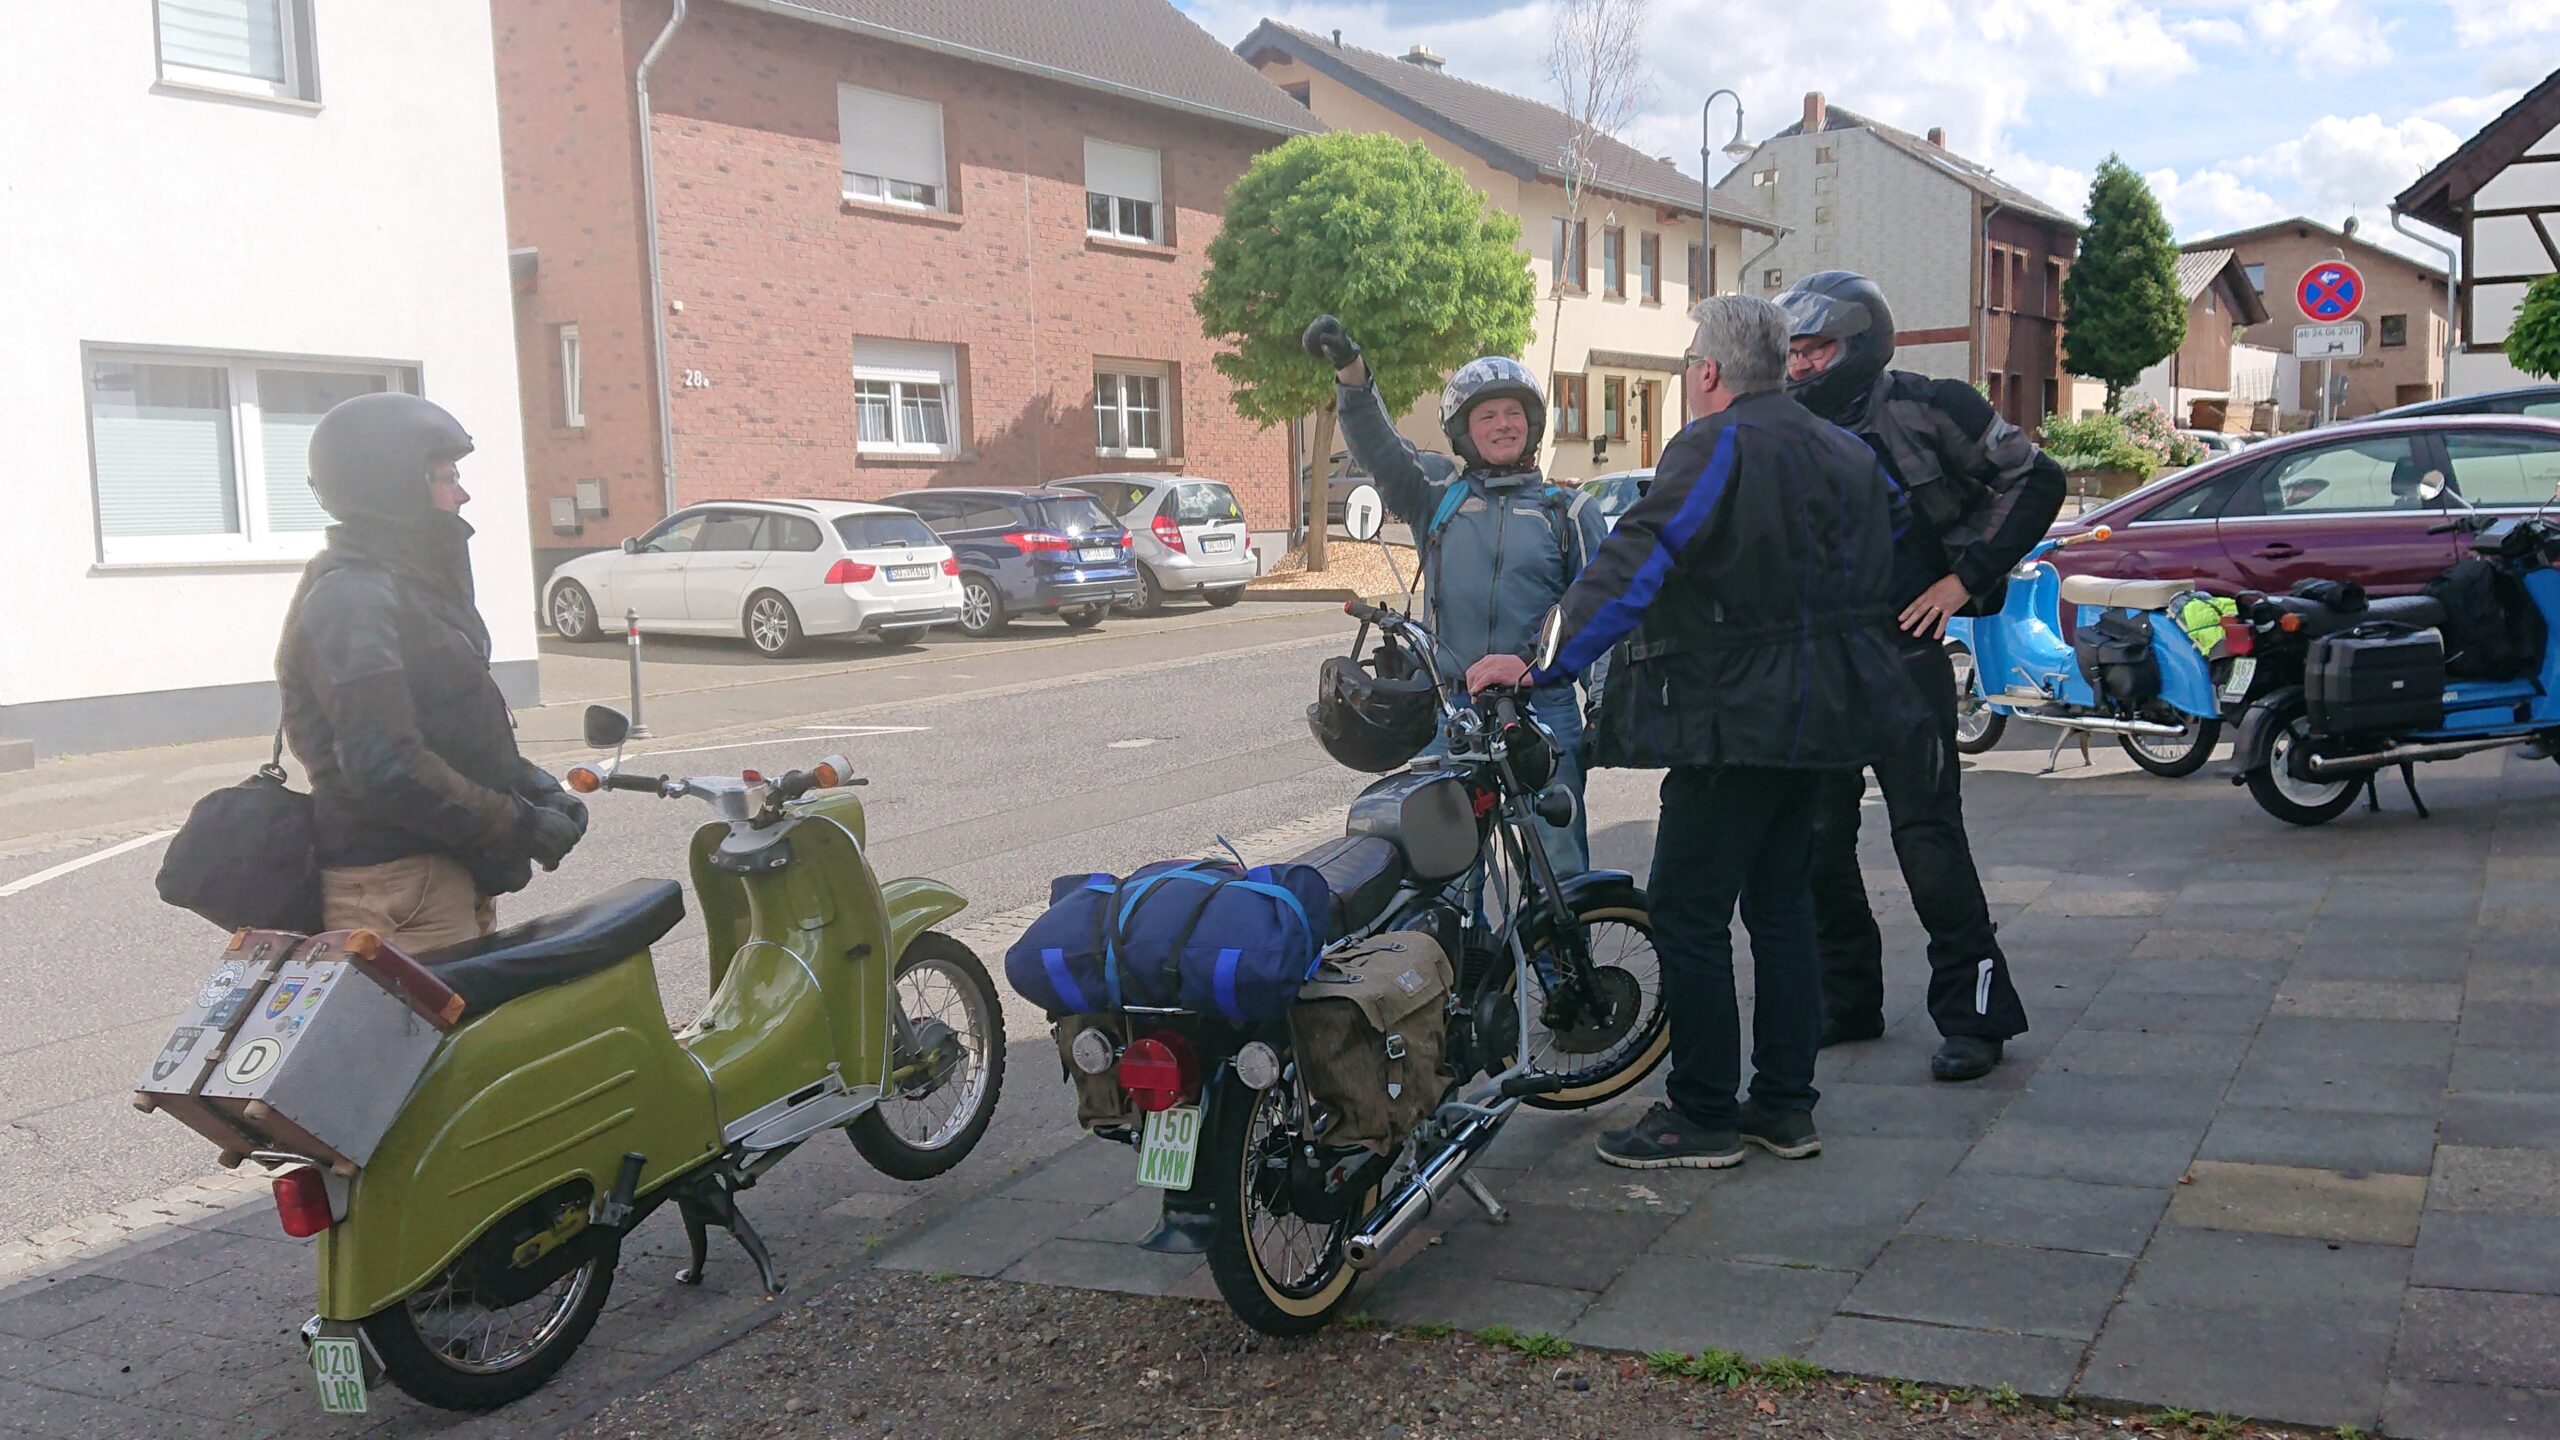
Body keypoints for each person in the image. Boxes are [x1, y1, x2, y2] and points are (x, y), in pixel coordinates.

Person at [1467, 296, 1924, 1169]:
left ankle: (1702, 1111)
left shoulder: (1715, 444)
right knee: (1783, 905)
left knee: (1685, 911)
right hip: (1830, 715)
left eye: (1687, 363)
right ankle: (1786, 1106)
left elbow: (1634, 558)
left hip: (1735, 719)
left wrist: (1538, 663)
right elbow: (1896, 544)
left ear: (1707, 373)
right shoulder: (1849, 451)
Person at [1778, 271, 2066, 1082]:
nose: (1802, 367)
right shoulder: (1777, 424)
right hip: (1818, 663)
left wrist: (1964, 580)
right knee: (1818, 840)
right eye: (1793, 353)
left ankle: (1976, 1017)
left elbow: (2035, 478)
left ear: (1862, 343)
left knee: (1928, 838)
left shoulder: (1929, 403)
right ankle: (1848, 998)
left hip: (1903, 659)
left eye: (1818, 350)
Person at [277, 392, 587, 951]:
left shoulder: (408, 586)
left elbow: (451, 727)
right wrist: (519, 823)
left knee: (484, 1033)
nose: (462, 493)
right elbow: (386, 764)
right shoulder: (353, 599)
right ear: (396, 484)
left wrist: (531, 786)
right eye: (446, 476)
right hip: (398, 885)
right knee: (441, 1038)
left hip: (440, 867)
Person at [1301, 316, 1608, 875]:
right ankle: (1461, 965)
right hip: (1454, 715)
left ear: (1533, 423)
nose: (1502, 424)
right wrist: (1352, 372)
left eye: (1514, 412)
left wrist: (1603, 711)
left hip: (1541, 715)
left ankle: (1560, 966)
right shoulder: (1436, 495)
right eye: (1486, 415)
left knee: (1557, 871)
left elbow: (1603, 617)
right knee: (1440, 875)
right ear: (1465, 430)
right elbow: (1381, 449)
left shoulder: (1568, 513)